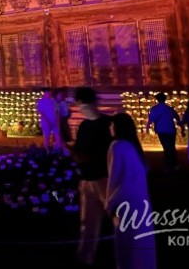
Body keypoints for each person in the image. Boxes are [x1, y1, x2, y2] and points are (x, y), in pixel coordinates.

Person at [106, 113, 157, 269]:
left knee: (126, 249)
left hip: (124, 203)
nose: (109, 128)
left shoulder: (117, 146)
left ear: (117, 127)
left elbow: (115, 178)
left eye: (112, 124)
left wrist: (110, 203)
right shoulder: (133, 147)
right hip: (140, 203)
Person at [72, 87, 112, 267]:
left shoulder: (108, 124)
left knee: (120, 217)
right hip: (87, 179)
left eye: (83, 105)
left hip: (105, 178)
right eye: (80, 105)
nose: (81, 109)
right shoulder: (84, 125)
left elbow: (113, 151)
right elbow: (79, 149)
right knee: (88, 223)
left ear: (93, 103)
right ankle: (86, 256)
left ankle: (129, 253)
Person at [146, 92, 181, 172]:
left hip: (161, 130)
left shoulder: (155, 109)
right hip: (171, 129)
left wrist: (147, 128)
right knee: (171, 147)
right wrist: (180, 125)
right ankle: (174, 164)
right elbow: (176, 116)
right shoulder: (169, 108)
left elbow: (151, 119)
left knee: (166, 147)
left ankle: (169, 165)